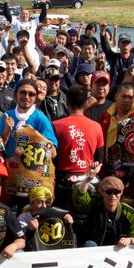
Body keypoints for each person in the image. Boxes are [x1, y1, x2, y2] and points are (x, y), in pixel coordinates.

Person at [52, 84, 104, 219]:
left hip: (64, 181)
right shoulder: (96, 126)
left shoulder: (56, 125)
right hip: (88, 179)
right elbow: (100, 157)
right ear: (86, 102)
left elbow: (53, 156)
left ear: (66, 102)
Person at [72, 162, 134, 248]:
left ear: (121, 192)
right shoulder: (94, 205)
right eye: (108, 192)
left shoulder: (129, 212)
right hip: (94, 250)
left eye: (117, 192)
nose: (113, 196)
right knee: (90, 244)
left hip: (118, 250)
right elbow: (79, 196)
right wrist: (90, 177)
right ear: (101, 192)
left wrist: (129, 240)